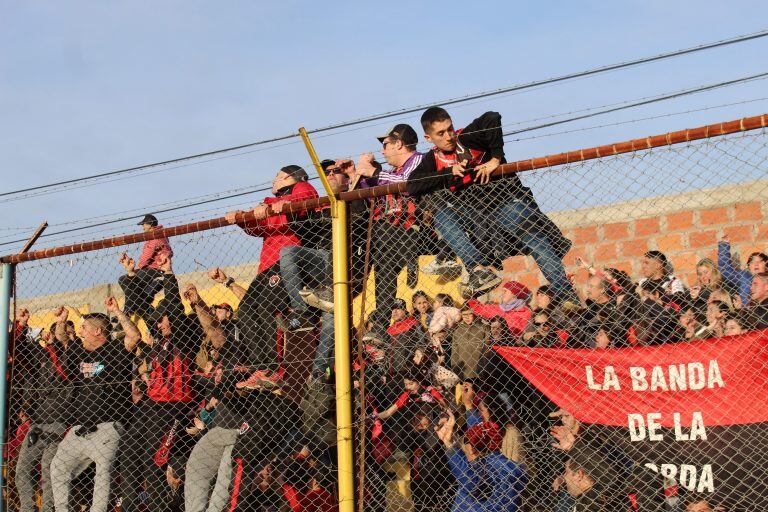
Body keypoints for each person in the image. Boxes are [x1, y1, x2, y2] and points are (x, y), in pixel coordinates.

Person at [406, 107, 573, 299]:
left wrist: (495, 158)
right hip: (475, 216)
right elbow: (412, 185)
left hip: (505, 203)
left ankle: (566, 295)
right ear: (429, 138)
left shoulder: (467, 138)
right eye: (441, 133)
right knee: (442, 216)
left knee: (537, 241)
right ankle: (478, 270)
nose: (449, 136)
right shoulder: (433, 159)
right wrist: (447, 173)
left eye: (450, 129)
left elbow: (492, 117)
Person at [118, 255, 204, 512]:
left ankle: (159, 508)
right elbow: (144, 310)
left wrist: (168, 274)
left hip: (173, 406)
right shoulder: (158, 344)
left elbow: (175, 310)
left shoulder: (185, 337)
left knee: (153, 460)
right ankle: (131, 505)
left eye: (162, 318)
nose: (158, 322)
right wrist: (131, 277)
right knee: (129, 450)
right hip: (150, 406)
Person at [225, 165, 319, 387]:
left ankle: (275, 368)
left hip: (286, 262)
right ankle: (261, 367)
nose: (274, 181)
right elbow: (257, 228)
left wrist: (284, 205)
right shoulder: (269, 203)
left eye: (277, 176)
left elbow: (305, 199)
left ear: (288, 177)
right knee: (246, 309)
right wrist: (241, 218)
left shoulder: (301, 188)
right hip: (266, 266)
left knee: (267, 306)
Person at [49, 309, 135, 512]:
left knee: (103, 473)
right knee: (58, 468)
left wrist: (116, 312)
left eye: (84, 329)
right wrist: (61, 322)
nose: (80, 332)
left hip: (107, 427)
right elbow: (62, 339)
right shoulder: (80, 352)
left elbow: (134, 336)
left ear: (97, 331)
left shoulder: (114, 350)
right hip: (79, 429)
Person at [14, 317, 72, 512]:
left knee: (49, 470)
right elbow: (18, 347)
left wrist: (55, 343)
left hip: (58, 422)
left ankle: (48, 509)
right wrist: (21, 325)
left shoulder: (73, 354)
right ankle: (28, 509)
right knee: (21, 470)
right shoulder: (42, 355)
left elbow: (63, 369)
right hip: (37, 423)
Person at [435, 409, 527, 512]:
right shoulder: (511, 467)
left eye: (466, 441)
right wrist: (469, 408)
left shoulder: (482, 472)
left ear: (472, 449)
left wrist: (449, 444)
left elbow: (471, 482)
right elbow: (479, 434)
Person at [117, 214, 173, 320]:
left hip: (154, 270)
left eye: (144, 224)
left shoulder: (154, 236)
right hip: (157, 270)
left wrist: (135, 269)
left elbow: (146, 257)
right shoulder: (162, 234)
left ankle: (128, 311)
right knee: (137, 289)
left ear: (149, 225)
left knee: (125, 280)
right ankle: (135, 309)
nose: (142, 227)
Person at [467, 281, 533, 338]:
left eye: (505, 291)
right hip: (496, 343)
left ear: (514, 293)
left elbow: (522, 335)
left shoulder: (525, 312)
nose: (502, 294)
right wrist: (470, 296)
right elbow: (480, 309)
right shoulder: (498, 308)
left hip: (512, 346)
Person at [718, 233, 768, 305]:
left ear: (766, 264)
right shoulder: (744, 276)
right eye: (752, 262)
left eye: (760, 261)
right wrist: (724, 246)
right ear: (748, 266)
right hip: (747, 311)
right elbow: (725, 270)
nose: (756, 264)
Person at [450, 305, 489, 380]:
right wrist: (455, 370)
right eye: (464, 315)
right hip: (464, 372)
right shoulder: (457, 331)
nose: (467, 317)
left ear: (474, 314)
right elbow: (455, 353)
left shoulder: (483, 328)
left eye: (469, 314)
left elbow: (488, 349)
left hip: (480, 369)